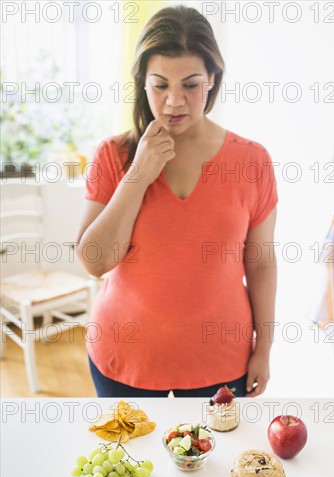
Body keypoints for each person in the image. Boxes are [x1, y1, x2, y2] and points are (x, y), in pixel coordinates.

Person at [76, 5, 278, 398]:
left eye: (190, 84)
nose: (174, 102)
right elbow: (94, 261)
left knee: (217, 460)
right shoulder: (113, 155)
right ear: (142, 83)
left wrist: (265, 348)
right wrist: (139, 174)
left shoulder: (252, 160)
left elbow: (261, 262)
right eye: (159, 85)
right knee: (127, 461)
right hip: (123, 358)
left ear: (213, 80)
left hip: (221, 362)